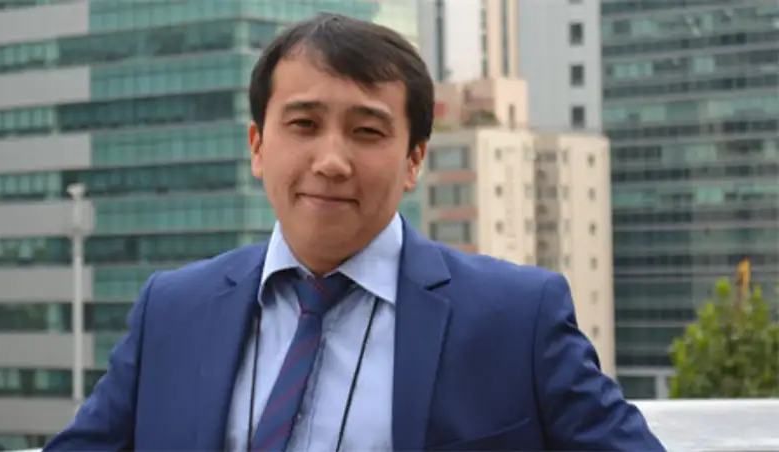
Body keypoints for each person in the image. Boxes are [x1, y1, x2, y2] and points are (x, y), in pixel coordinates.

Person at [44, 14, 665, 452]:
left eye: (367, 132)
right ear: (257, 146)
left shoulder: (518, 318)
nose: (332, 161)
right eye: (303, 124)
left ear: (414, 160)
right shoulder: (172, 311)